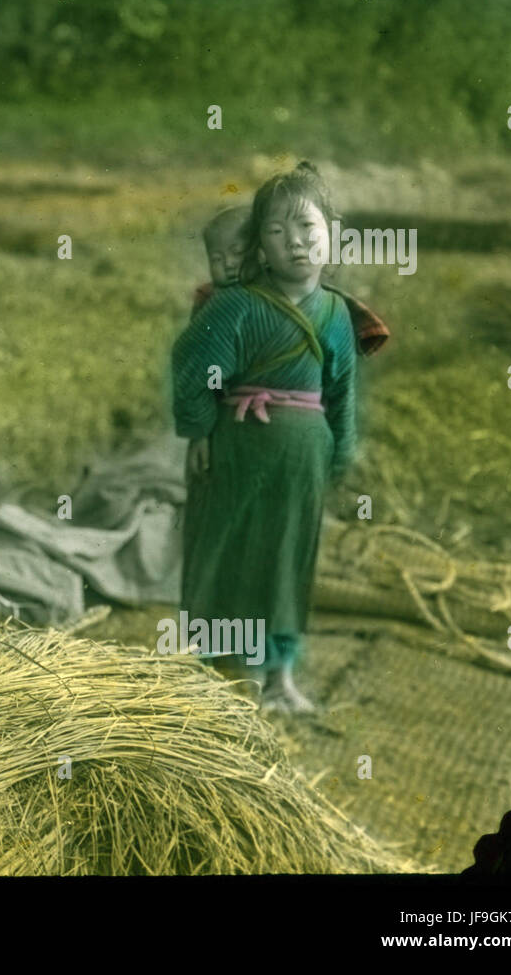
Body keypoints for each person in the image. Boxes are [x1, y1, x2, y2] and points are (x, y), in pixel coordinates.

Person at [171, 162, 356, 713]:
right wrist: (199, 431)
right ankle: (236, 676)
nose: (296, 244)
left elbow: (341, 390)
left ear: (332, 233)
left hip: (303, 461)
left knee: (287, 560)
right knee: (235, 557)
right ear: (259, 246)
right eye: (277, 232)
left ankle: (281, 677)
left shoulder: (337, 312)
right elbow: (192, 370)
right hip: (237, 455)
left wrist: (339, 452)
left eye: (308, 229)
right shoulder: (235, 306)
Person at [191, 205, 391, 356]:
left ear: (262, 252)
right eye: (216, 259)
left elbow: (334, 306)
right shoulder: (209, 298)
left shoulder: (286, 285)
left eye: (238, 253)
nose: (228, 264)